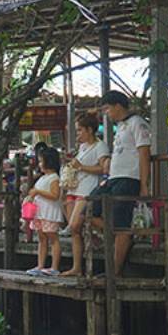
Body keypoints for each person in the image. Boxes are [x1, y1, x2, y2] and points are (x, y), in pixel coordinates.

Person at [90, 90, 151, 276]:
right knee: (89, 210)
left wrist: (144, 184)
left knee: (121, 222)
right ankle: (123, 235)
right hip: (113, 178)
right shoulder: (121, 127)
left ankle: (114, 271)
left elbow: (144, 153)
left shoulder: (137, 123)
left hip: (129, 178)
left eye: (107, 109)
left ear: (118, 106)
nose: (106, 113)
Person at [62, 113, 110, 276]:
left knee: (75, 225)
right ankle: (77, 267)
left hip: (87, 189)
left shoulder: (100, 146)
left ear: (90, 130)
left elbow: (104, 169)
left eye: (80, 130)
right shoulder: (82, 147)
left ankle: (110, 232)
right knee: (75, 230)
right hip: (74, 188)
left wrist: (81, 167)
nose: (78, 134)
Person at [27, 148, 63, 276]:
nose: (40, 164)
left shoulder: (54, 178)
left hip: (50, 213)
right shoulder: (43, 178)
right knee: (42, 238)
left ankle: (54, 267)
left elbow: (55, 195)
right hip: (40, 213)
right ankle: (40, 265)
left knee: (53, 238)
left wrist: (38, 192)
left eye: (42, 161)